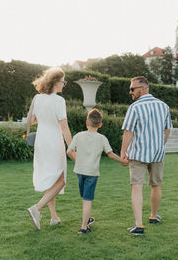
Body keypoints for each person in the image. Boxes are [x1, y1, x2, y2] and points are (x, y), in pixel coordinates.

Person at [120, 76, 172, 236]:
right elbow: (167, 130)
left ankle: (139, 225)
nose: (130, 92)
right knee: (156, 185)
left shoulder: (134, 107)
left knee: (137, 187)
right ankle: (153, 216)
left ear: (142, 89)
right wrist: (160, 145)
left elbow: (128, 132)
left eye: (132, 89)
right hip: (157, 152)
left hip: (138, 153)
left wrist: (123, 152)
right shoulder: (163, 106)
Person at [67, 108, 128, 234]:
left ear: (87, 123)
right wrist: (122, 161)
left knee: (84, 198)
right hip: (92, 173)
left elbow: (69, 151)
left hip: (79, 172)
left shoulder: (78, 136)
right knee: (87, 200)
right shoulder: (102, 138)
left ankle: (86, 219)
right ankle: (84, 227)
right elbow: (110, 154)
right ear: (100, 124)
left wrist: (77, 161)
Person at [27, 67, 72, 230]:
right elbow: (64, 127)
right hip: (53, 140)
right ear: (55, 82)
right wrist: (72, 147)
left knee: (50, 178)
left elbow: (31, 121)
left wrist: (44, 117)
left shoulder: (37, 98)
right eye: (63, 82)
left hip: (41, 140)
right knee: (60, 180)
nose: (64, 84)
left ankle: (53, 217)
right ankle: (37, 208)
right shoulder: (59, 101)